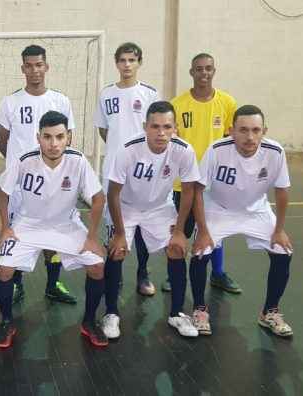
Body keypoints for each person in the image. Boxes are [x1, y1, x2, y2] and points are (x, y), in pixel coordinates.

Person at [0, 111, 108, 348]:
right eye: (47, 137)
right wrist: (6, 228)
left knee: (97, 265)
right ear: (38, 137)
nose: (54, 143)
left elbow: (98, 198)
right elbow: (2, 192)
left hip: (65, 224)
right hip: (28, 224)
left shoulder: (77, 161)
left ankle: (89, 321)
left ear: (68, 137)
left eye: (59, 137)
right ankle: (6, 321)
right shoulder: (25, 160)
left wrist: (92, 236)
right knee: (4, 269)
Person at [189, 105, 294, 338]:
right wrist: (203, 230)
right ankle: (199, 309)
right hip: (218, 209)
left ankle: (269, 312)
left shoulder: (275, 152)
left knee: (283, 251)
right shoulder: (217, 150)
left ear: (264, 130)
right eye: (243, 130)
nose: (250, 137)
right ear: (231, 131)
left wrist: (279, 230)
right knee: (200, 251)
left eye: (256, 130)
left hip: (256, 210)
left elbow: (282, 191)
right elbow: (197, 190)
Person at [105, 101, 200, 339]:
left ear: (175, 127)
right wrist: (118, 233)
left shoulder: (184, 150)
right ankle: (111, 313)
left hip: (159, 207)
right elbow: (112, 193)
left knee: (177, 249)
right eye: (155, 126)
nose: (161, 132)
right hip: (126, 206)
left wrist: (179, 230)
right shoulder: (128, 150)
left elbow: (188, 191)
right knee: (116, 251)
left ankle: (177, 313)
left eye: (167, 127)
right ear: (145, 126)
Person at [0, 44, 76, 304]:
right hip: (21, 186)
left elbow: (68, 138)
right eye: (29, 65)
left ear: (46, 67)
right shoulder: (11, 101)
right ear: (23, 69)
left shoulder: (60, 100)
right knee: (19, 234)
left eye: (39, 65)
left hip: (54, 182)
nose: (34, 70)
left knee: (54, 234)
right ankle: (16, 284)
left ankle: (53, 283)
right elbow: (2, 138)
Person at [164, 53, 240, 294]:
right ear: (191, 72)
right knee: (180, 230)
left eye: (208, 69)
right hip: (184, 182)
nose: (204, 73)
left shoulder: (228, 103)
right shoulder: (177, 104)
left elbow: (232, 140)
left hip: (214, 182)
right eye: (199, 69)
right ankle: (173, 274)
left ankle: (217, 273)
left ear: (214, 71)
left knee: (214, 229)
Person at [94, 42, 161, 297]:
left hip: (143, 170)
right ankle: (116, 274)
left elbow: (157, 130)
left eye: (132, 60)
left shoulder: (150, 94)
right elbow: (103, 130)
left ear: (139, 62)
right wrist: (118, 152)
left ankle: (143, 272)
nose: (127, 65)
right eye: (122, 60)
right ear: (116, 63)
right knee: (115, 225)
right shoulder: (106, 94)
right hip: (114, 169)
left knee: (141, 225)